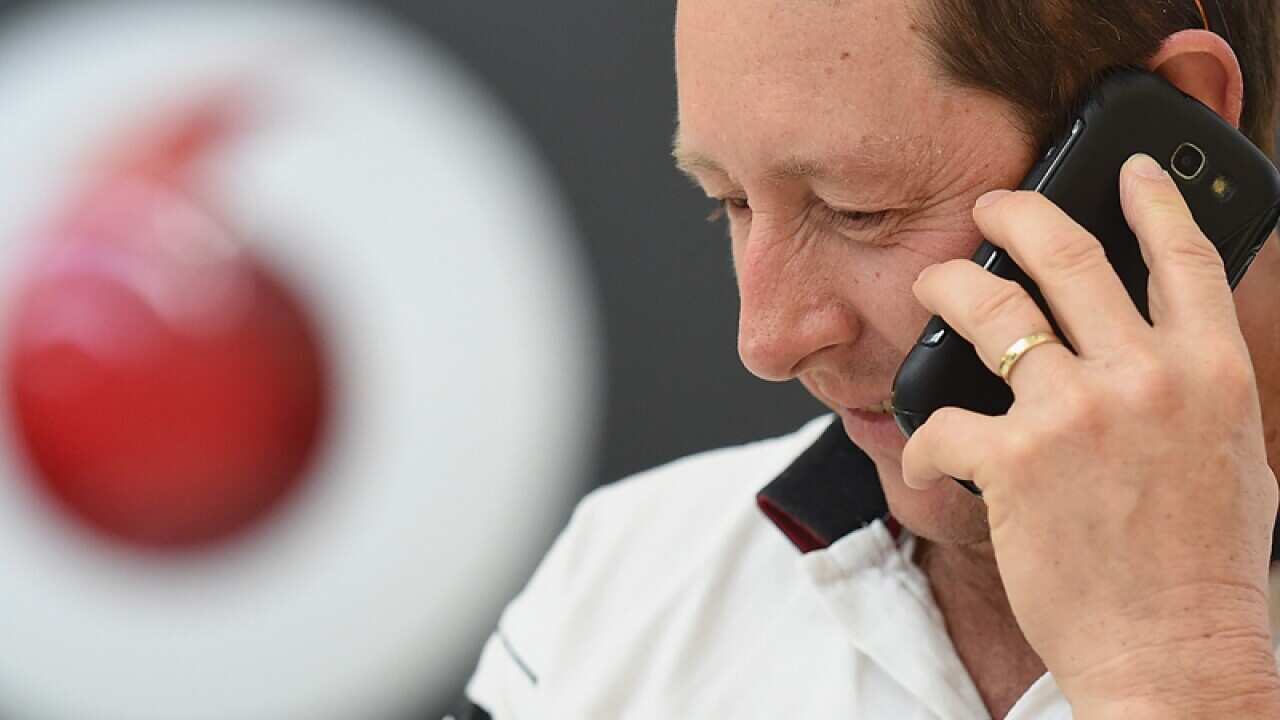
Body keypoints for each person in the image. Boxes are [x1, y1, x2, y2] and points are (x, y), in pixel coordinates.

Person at [456, 1, 1280, 717]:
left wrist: (1183, 671)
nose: (767, 342)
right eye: (730, 203)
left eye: (860, 210)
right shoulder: (622, 579)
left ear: (1175, 125)